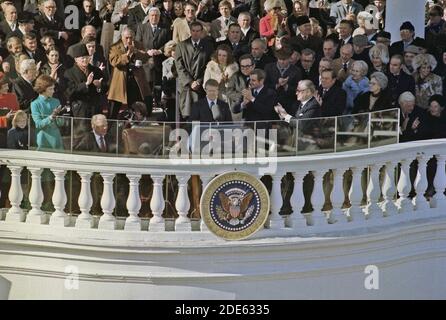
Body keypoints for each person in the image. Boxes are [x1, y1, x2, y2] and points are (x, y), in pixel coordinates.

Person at [108, 27, 150, 119]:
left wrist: (136, 52)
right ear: (122, 37)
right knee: (113, 109)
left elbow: (145, 58)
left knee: (135, 107)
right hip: (120, 81)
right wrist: (127, 55)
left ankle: (135, 128)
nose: (129, 40)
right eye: (126, 38)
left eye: (131, 37)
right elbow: (114, 61)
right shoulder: (114, 47)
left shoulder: (138, 45)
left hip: (135, 80)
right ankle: (110, 128)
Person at [175, 21, 213, 120]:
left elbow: (209, 66)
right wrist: (190, 82)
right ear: (190, 31)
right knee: (186, 115)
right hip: (186, 86)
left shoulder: (208, 46)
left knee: (200, 116)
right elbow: (179, 66)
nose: (195, 33)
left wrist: (199, 81)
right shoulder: (181, 46)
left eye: (198, 31)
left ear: (201, 32)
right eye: (193, 31)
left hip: (200, 86)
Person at [30, 74, 64, 151]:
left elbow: (61, 123)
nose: (53, 91)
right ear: (43, 89)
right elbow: (38, 124)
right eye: (50, 89)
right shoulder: (35, 104)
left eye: (53, 88)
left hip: (56, 138)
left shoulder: (56, 101)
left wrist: (61, 117)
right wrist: (51, 117)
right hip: (43, 139)